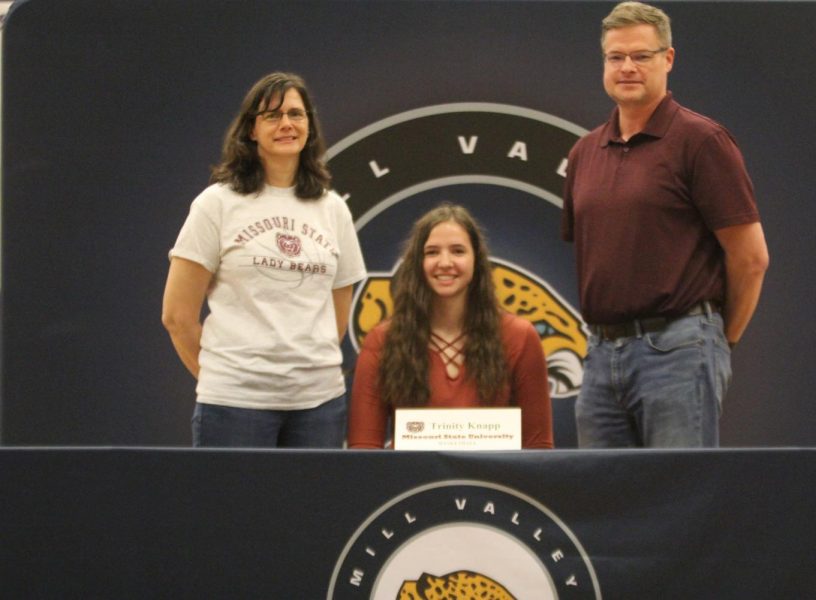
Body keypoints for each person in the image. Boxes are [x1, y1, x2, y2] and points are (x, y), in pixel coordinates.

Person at [562, 1, 769, 448]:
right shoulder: (584, 153)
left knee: (678, 502)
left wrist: (714, 341)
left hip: (678, 352)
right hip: (598, 358)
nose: (628, 67)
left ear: (668, 59)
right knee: (604, 506)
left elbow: (751, 259)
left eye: (642, 56)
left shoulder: (701, 141)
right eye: (616, 57)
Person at [162, 72, 366, 447]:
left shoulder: (333, 208)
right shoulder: (217, 204)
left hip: (319, 405)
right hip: (233, 406)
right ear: (251, 130)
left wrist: (298, 376)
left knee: (311, 508)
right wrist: (226, 378)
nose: (286, 124)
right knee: (234, 508)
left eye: (296, 114)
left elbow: (336, 315)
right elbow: (177, 316)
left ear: (309, 126)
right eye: (272, 116)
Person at [348, 204, 553, 449]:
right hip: (410, 485)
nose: (445, 262)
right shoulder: (382, 341)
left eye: (458, 251)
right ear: (417, 263)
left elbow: (537, 448)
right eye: (432, 252)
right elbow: (364, 450)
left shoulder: (520, 336)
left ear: (476, 261)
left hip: (492, 485)